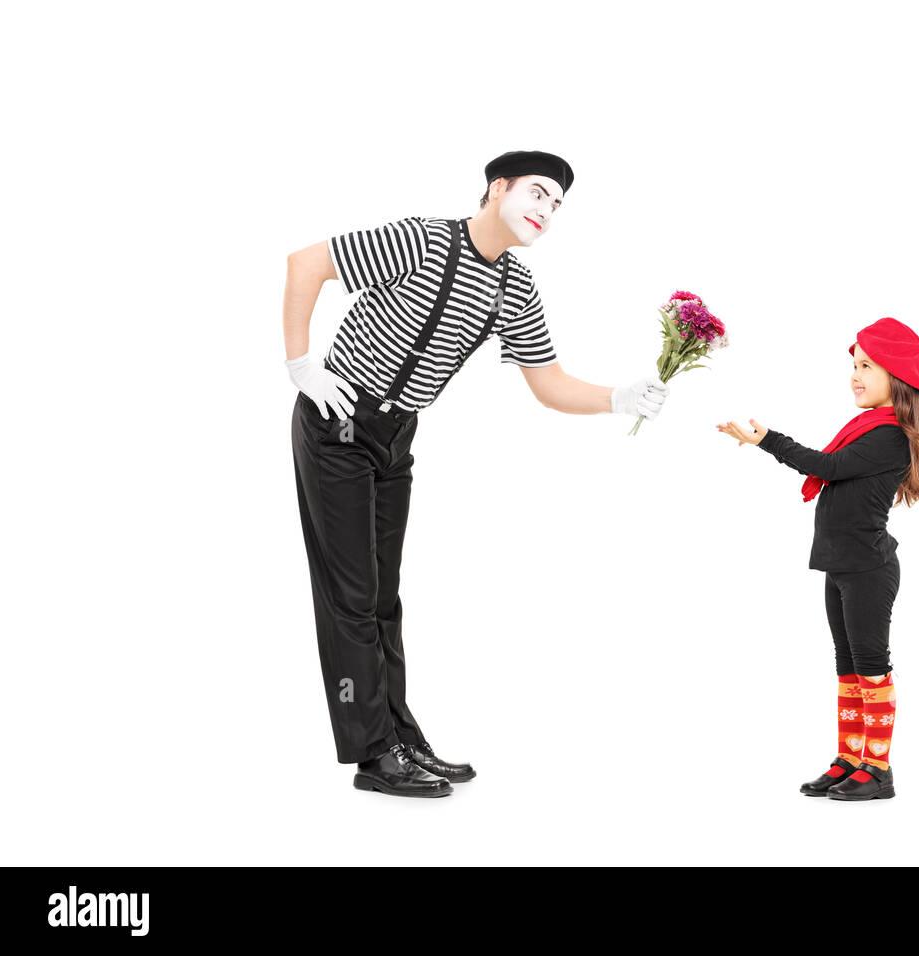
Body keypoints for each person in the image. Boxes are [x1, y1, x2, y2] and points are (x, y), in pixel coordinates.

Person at [284, 150, 670, 797]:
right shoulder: (422, 239)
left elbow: (547, 383)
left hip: (397, 432)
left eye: (556, 205)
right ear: (498, 189)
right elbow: (307, 264)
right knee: (350, 599)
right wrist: (302, 364)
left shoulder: (513, 286)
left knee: (382, 598)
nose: (546, 211)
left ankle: (400, 736)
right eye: (538, 194)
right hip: (340, 420)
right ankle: (373, 754)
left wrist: (619, 397)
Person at [716, 317, 919, 801]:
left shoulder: (892, 434)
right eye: (854, 365)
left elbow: (828, 467)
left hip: (868, 568)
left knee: (871, 666)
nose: (855, 375)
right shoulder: (869, 426)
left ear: (897, 377)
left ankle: (878, 771)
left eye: (867, 366)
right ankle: (851, 757)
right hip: (842, 564)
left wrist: (767, 440)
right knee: (847, 666)